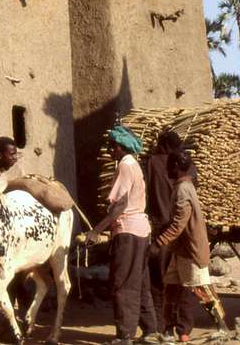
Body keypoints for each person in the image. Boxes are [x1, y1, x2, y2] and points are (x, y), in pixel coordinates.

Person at [86, 126, 162, 345]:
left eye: (112, 146)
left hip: (128, 231)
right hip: (140, 232)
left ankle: (125, 335)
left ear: (119, 147)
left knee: (123, 284)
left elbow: (120, 205)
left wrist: (96, 230)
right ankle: (150, 330)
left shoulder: (125, 165)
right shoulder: (135, 165)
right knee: (140, 282)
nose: (110, 150)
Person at [153, 150, 226, 341]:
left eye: (169, 164)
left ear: (176, 166)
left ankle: (220, 327)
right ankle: (171, 330)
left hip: (191, 251)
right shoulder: (184, 186)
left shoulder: (182, 190)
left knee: (200, 288)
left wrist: (158, 242)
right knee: (171, 287)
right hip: (180, 250)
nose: (166, 168)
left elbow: (179, 223)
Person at [145, 132, 196, 332]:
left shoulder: (153, 162)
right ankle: (183, 328)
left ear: (164, 146)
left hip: (163, 231)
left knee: (158, 282)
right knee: (183, 282)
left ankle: (161, 326)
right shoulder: (191, 168)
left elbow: (148, 192)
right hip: (184, 234)